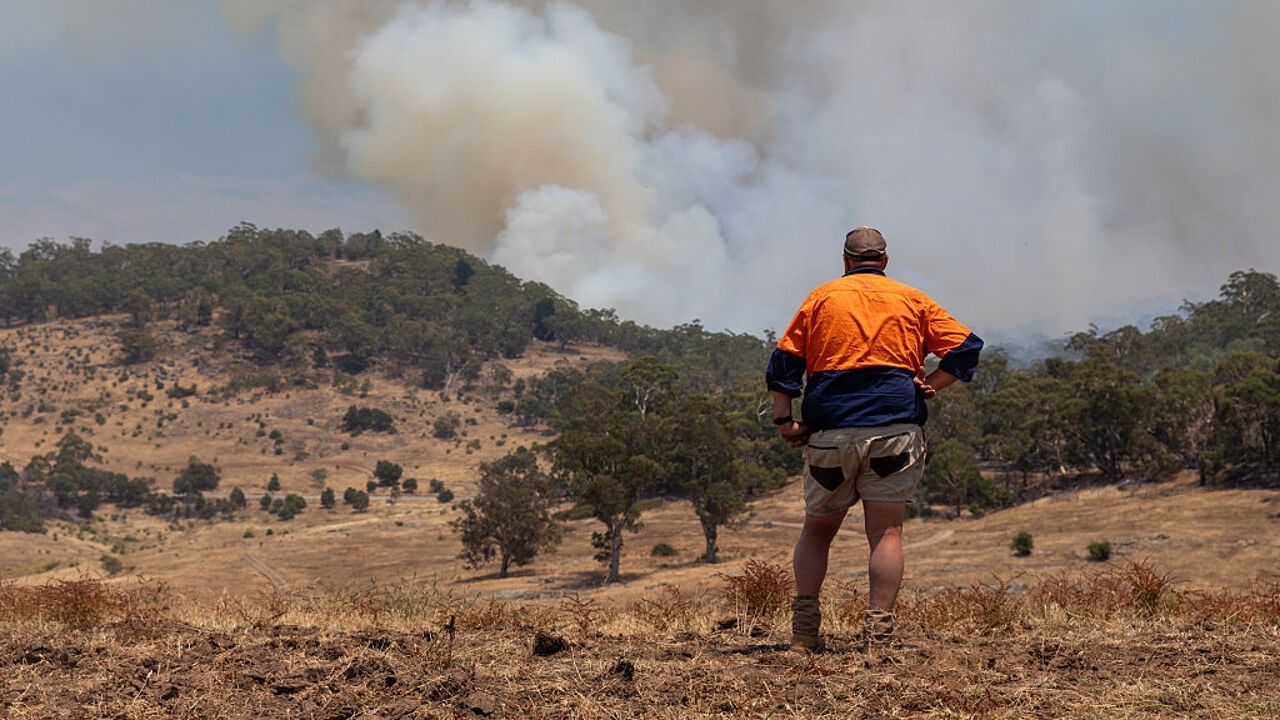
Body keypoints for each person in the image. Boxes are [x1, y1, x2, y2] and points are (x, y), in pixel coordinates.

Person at [764, 227, 982, 652]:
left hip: (831, 434)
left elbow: (783, 365)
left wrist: (784, 421)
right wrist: (932, 383)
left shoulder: (822, 298)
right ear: (884, 260)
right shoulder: (911, 299)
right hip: (895, 432)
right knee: (886, 534)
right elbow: (966, 347)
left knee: (816, 532)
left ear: (845, 260)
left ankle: (804, 636)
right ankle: (878, 639)